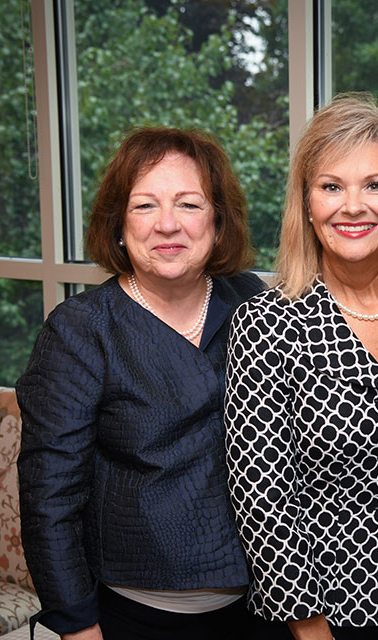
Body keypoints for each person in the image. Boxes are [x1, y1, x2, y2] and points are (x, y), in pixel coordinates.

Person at [224, 92, 378, 640]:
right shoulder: (266, 323)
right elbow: (262, 500)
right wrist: (312, 632)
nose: (352, 206)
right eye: (331, 186)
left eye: (374, 186)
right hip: (320, 620)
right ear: (307, 204)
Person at [16, 126, 265, 640]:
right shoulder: (81, 329)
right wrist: (77, 626)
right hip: (136, 615)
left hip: (265, 606)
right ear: (119, 226)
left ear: (218, 222)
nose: (167, 224)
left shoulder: (250, 301)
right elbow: (49, 499)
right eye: (145, 206)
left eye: (189, 205)